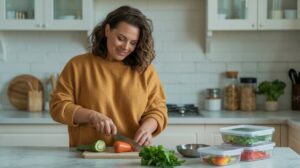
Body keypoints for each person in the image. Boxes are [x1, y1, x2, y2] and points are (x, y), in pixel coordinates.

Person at [50, 5, 168, 148]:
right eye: (121, 38)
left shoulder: (145, 71)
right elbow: (58, 106)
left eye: (133, 43)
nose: (125, 47)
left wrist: (147, 128)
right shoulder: (78, 65)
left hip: (130, 156)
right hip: (87, 157)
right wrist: (91, 116)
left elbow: (158, 109)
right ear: (107, 30)